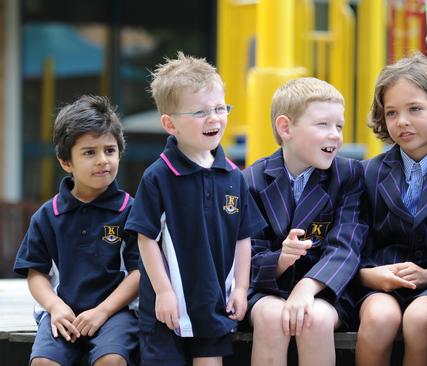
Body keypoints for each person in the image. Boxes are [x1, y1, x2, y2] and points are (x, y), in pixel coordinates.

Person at [125, 52, 266, 365]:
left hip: (213, 306)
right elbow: (145, 239)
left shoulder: (233, 175)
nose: (214, 118)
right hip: (166, 311)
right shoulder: (158, 176)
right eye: (200, 112)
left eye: (219, 108)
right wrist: (163, 292)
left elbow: (244, 238)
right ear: (170, 123)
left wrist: (242, 288)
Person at [354, 54, 427, 366]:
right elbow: (354, 238)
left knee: (421, 320)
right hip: (379, 280)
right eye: (391, 112)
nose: (402, 120)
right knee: (379, 320)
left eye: (414, 109)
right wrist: (370, 276)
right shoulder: (368, 173)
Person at [243, 77, 368, 366]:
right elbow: (247, 252)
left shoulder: (349, 176)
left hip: (326, 289)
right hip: (267, 288)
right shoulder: (252, 180)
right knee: (272, 318)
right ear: (285, 127)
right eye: (323, 125)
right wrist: (280, 260)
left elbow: (346, 246)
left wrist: (307, 287)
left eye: (339, 126)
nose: (335, 135)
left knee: (314, 319)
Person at [14, 95, 140, 366]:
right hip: (64, 312)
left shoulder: (131, 210)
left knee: (111, 360)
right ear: (65, 162)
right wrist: (55, 307)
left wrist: (103, 311)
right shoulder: (48, 215)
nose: (102, 160)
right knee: (43, 363)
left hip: (115, 313)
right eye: (89, 152)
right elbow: (36, 271)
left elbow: (139, 272)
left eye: (109, 150)